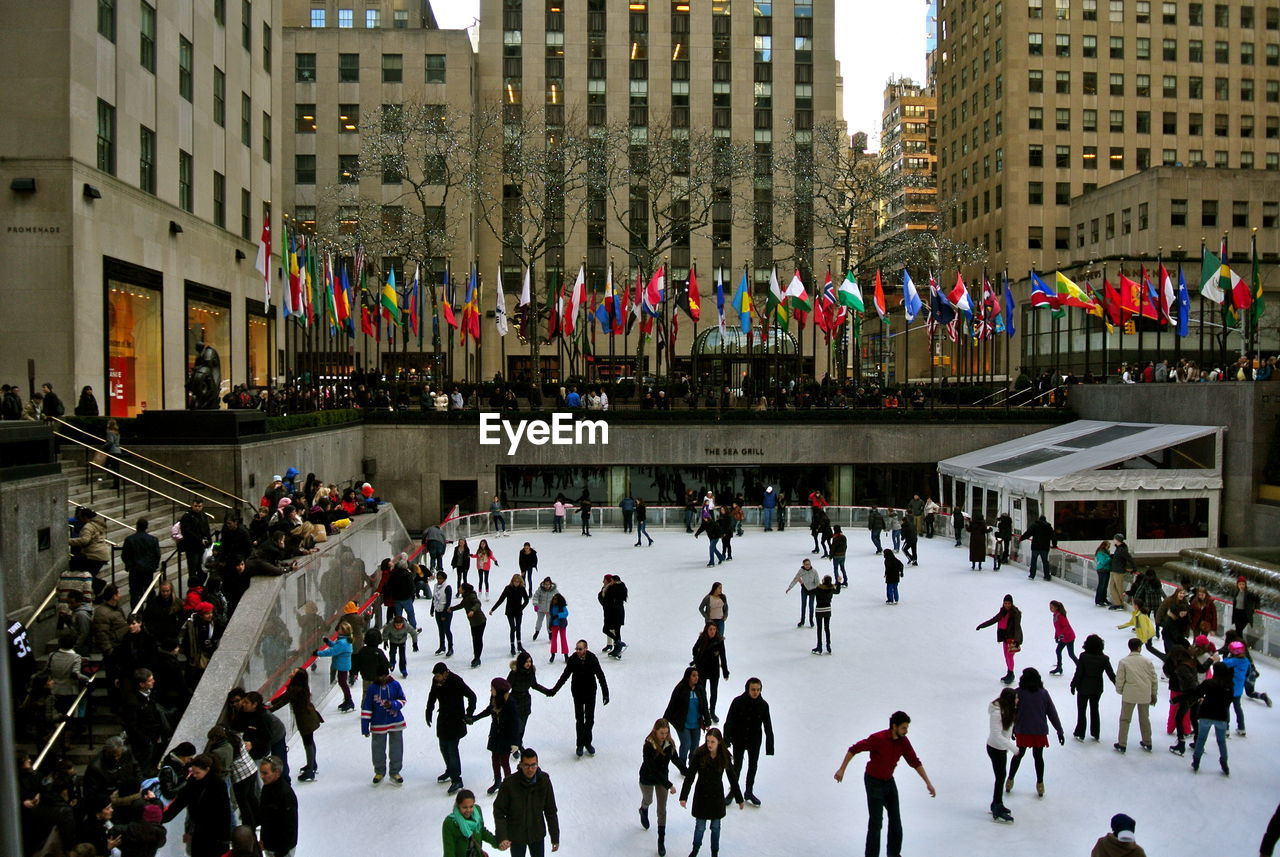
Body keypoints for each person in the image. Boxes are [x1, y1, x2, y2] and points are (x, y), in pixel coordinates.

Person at [833, 711, 936, 857]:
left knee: (896, 821)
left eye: (907, 728)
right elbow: (854, 749)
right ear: (894, 726)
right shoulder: (878, 739)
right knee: (876, 823)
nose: (906, 731)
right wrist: (842, 769)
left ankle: (894, 854)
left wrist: (928, 782)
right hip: (873, 782)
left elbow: (914, 761)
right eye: (904, 728)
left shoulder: (903, 742)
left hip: (888, 782)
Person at [679, 728, 743, 857]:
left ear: (719, 742)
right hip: (702, 795)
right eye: (708, 741)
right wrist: (683, 796)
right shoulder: (699, 754)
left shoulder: (724, 755)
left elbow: (732, 778)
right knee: (700, 826)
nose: (709, 744)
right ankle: (695, 849)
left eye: (712, 741)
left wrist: (739, 798)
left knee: (715, 827)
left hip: (716, 796)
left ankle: (715, 852)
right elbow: (690, 777)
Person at [1005, 668, 1065, 798]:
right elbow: (1052, 713)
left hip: (1023, 730)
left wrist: (1011, 729)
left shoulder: (1018, 693)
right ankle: (1040, 784)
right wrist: (1059, 730)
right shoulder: (1043, 693)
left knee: (1018, 755)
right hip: (1039, 731)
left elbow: (1011, 712)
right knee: (1038, 757)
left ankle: (1010, 780)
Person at [546, 639, 610, 756]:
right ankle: (580, 744)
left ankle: (588, 742)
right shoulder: (573, 659)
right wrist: (554, 690)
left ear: (586, 649)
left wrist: (605, 693)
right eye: (576, 649)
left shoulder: (592, 658)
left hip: (590, 692)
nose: (578, 651)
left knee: (590, 719)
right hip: (578, 692)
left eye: (580, 649)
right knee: (579, 719)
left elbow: (600, 675)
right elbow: (564, 676)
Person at [161, 754, 233, 857]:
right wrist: (162, 817)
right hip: (198, 830)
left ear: (207, 770)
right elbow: (180, 801)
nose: (194, 775)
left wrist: (225, 838)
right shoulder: (193, 781)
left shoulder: (218, 784)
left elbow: (225, 812)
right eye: (193, 772)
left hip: (214, 833)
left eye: (197, 773)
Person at [494, 748, 560, 856]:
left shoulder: (544, 781)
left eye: (533, 765)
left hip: (536, 834)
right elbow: (499, 811)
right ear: (520, 765)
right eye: (526, 765)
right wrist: (502, 836)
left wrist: (555, 836)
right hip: (516, 836)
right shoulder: (509, 784)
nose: (530, 769)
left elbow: (550, 810)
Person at [426, 661, 478, 795]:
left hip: (456, 720)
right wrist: (429, 711)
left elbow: (472, 696)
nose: (436, 678)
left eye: (438, 676)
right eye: (435, 676)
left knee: (452, 748)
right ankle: (450, 769)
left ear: (445, 673)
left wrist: (469, 713)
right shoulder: (436, 681)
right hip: (443, 718)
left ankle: (457, 779)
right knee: (443, 746)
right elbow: (432, 695)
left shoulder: (456, 681)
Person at [638, 718, 688, 857]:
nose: (664, 736)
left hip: (662, 780)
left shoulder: (669, 744)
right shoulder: (648, 745)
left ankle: (661, 841)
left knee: (662, 810)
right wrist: (669, 784)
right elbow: (652, 768)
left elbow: (676, 760)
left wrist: (687, 772)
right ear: (655, 731)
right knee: (648, 800)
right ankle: (643, 809)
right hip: (648, 778)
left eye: (666, 733)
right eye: (661, 733)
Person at [722, 677, 774, 807]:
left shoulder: (763, 705)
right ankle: (733, 791)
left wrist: (770, 747)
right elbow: (729, 722)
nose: (755, 692)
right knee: (737, 766)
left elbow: (768, 726)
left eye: (758, 690)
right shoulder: (738, 702)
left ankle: (749, 791)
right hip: (739, 739)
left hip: (754, 741)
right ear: (747, 689)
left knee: (753, 765)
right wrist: (726, 740)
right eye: (753, 689)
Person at [471, 677, 524, 795]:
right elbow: (489, 710)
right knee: (495, 758)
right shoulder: (494, 699)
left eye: (492, 689)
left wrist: (515, 742)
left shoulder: (510, 703)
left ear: (498, 690)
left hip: (506, 736)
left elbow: (515, 723)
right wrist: (475, 718)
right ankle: (498, 781)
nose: (491, 691)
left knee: (504, 761)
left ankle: (509, 783)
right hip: (495, 734)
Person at [269, 668, 322, 782]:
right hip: (308, 716)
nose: (291, 672)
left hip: (305, 719)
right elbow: (284, 696)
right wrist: (271, 703)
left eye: (294, 672)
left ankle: (310, 770)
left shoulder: (295, 688)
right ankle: (312, 764)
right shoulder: (297, 687)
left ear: (297, 677)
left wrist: (269, 710)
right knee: (309, 741)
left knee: (308, 743)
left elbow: (284, 700)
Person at [1187, 661, 1234, 775]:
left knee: (1201, 739)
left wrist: (1201, 698)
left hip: (1206, 714)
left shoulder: (1209, 683)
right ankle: (1224, 762)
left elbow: (1197, 692)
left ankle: (1196, 760)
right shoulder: (1229, 685)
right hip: (1221, 716)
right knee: (1221, 741)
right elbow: (1229, 701)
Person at [1113, 638, 1158, 754]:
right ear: (1139, 647)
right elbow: (1154, 679)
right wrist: (1153, 693)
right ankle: (1147, 741)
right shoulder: (1147, 662)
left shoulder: (1124, 662)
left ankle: (1122, 743)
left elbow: (1120, 679)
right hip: (1145, 693)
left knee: (1125, 719)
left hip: (1129, 694)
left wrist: (1120, 690)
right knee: (1144, 719)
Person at [1070, 634, 1117, 742]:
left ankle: (1080, 732)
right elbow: (1111, 674)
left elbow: (1079, 672)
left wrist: (1073, 684)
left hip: (1083, 687)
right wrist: (1118, 685)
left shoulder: (1083, 656)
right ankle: (1095, 732)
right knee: (1094, 709)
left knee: (1082, 710)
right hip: (1097, 688)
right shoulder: (1104, 659)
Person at [663, 666, 710, 766]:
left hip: (696, 723)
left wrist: (707, 721)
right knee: (686, 743)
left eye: (697, 675)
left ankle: (692, 764)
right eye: (694, 675)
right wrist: (665, 720)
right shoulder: (680, 688)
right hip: (683, 723)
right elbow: (672, 704)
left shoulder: (700, 689)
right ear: (688, 677)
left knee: (695, 745)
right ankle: (682, 763)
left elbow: (705, 705)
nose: (696, 677)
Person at [986, 688, 1018, 823]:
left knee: (1001, 776)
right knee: (1000, 777)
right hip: (995, 749)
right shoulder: (997, 714)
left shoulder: (1007, 711)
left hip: (1001, 749)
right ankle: (997, 807)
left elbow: (1007, 729)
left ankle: (997, 803)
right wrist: (1013, 748)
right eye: (1016, 698)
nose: (1018, 700)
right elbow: (996, 735)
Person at [977, 594, 1024, 685]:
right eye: (1005, 603)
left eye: (1008, 603)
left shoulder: (1015, 613)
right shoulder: (1002, 612)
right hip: (1004, 637)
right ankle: (1009, 672)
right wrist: (982, 626)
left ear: (1011, 603)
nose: (1007, 605)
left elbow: (1017, 627)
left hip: (1012, 638)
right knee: (1006, 656)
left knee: (1010, 656)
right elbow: (993, 620)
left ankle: (1011, 674)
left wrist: (1016, 640)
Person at [257, 756, 298, 857]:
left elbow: (289, 827)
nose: (261, 776)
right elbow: (265, 818)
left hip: (283, 850)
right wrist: (263, 839)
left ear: (277, 773)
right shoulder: (266, 788)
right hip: (270, 846)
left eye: (265, 773)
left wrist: (281, 852)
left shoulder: (286, 794)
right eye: (261, 773)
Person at [442, 788, 502, 857]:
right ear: (458, 806)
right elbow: (449, 852)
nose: (468, 810)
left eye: (471, 806)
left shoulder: (477, 812)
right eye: (464, 807)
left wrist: (497, 843)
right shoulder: (450, 823)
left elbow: (482, 830)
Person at [691, 623, 730, 722]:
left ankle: (712, 711)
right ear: (706, 630)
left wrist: (725, 672)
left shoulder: (719, 641)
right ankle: (703, 711)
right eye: (710, 629)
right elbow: (694, 649)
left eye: (714, 629)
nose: (712, 631)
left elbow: (723, 657)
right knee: (702, 691)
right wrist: (697, 660)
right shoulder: (702, 638)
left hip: (714, 670)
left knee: (714, 692)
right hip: (702, 669)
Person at [313, 624, 354, 712]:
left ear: (343, 631)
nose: (337, 630)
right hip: (343, 665)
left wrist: (318, 653)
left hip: (342, 666)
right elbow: (336, 646)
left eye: (339, 629)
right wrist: (328, 642)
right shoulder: (344, 640)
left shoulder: (343, 643)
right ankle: (347, 700)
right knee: (342, 683)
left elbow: (333, 651)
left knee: (343, 683)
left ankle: (349, 701)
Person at [122, 519, 161, 609]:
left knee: (135, 593)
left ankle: (136, 613)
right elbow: (157, 555)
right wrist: (153, 566)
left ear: (137, 526)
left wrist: (130, 565)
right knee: (149, 591)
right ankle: (150, 612)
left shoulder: (129, 539)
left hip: (135, 569)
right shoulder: (153, 539)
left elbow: (125, 555)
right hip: (148, 570)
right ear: (146, 527)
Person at [450, 582, 486, 668]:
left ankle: (477, 658)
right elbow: (461, 605)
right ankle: (476, 657)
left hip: (480, 621)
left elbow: (478, 604)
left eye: (460, 588)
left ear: (464, 590)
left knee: (478, 639)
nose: (459, 589)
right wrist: (451, 609)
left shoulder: (471, 596)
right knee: (475, 639)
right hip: (473, 622)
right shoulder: (466, 597)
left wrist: (472, 610)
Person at [178, 500, 212, 589]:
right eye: (196, 506)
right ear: (192, 506)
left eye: (199, 506)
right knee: (193, 568)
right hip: (192, 547)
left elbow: (206, 529)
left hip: (202, 547)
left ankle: (200, 586)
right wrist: (199, 539)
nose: (197, 508)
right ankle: (193, 588)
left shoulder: (203, 516)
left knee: (202, 569)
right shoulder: (187, 516)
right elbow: (187, 532)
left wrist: (209, 540)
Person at [598, 574, 628, 659]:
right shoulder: (621, 588)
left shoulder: (611, 589)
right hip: (619, 613)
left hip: (612, 613)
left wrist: (601, 594)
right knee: (617, 631)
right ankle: (617, 649)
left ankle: (618, 643)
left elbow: (605, 602)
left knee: (606, 629)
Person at [812, 574, 842, 654]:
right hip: (827, 610)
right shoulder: (831, 588)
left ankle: (819, 646)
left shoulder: (818, 588)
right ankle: (828, 646)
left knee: (819, 628)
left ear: (823, 581)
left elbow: (809, 591)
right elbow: (838, 591)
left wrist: (802, 583)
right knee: (827, 628)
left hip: (819, 610)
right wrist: (839, 582)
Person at [1020, 515, 1057, 580]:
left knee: (1034, 561)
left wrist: (1021, 538)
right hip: (1044, 547)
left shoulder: (1034, 525)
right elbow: (1053, 536)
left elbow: (1028, 533)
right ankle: (1047, 576)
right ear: (1045, 520)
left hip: (1035, 547)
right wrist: (1054, 545)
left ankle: (1032, 575)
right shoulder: (1048, 527)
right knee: (1045, 562)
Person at [785, 558, 819, 628]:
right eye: (806, 564)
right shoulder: (801, 571)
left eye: (809, 564)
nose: (808, 566)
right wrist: (789, 587)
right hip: (804, 590)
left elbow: (817, 582)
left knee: (811, 606)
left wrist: (819, 590)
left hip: (812, 590)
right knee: (803, 605)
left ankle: (811, 621)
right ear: (803, 565)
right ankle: (802, 621)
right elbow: (796, 579)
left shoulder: (814, 571)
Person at [1109, 534, 1137, 610]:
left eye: (1114, 539)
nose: (1113, 540)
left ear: (1118, 540)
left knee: (1119, 587)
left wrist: (1134, 568)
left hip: (1118, 571)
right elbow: (1118, 558)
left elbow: (1129, 558)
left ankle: (1120, 604)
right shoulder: (1118, 548)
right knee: (1112, 587)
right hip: (1114, 570)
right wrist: (1112, 556)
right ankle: (1118, 603)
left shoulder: (1122, 549)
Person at [1049, 601, 1077, 676]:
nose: (1050, 608)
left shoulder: (1060, 616)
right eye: (1050, 607)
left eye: (1052, 607)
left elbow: (1065, 626)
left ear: (1056, 607)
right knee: (1058, 650)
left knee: (1071, 654)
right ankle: (1059, 667)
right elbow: (1057, 627)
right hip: (1063, 638)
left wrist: (1061, 635)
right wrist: (1056, 635)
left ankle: (1080, 667)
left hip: (1069, 637)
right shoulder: (1055, 615)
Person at [431, 571, 455, 656]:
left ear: (444, 579)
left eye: (440, 578)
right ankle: (442, 646)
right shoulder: (435, 586)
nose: (439, 580)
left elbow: (448, 602)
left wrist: (444, 614)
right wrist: (432, 608)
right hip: (438, 610)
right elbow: (434, 598)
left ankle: (450, 647)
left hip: (446, 611)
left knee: (446, 629)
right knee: (440, 630)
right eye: (438, 578)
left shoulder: (447, 587)